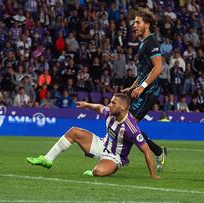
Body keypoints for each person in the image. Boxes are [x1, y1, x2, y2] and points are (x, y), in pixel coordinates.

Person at [27, 94, 160, 180]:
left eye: (113, 103)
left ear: (123, 106)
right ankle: (47, 159)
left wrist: (153, 175)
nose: (109, 105)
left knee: (98, 172)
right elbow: (100, 107)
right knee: (74, 131)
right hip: (102, 144)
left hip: (115, 156)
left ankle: (102, 167)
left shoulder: (131, 128)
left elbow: (146, 151)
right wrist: (87, 105)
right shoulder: (110, 112)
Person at [121, 8, 168, 171]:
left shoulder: (151, 42)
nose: (134, 25)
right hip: (142, 90)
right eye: (134, 22)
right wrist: (133, 86)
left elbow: (158, 68)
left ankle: (122, 158)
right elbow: (143, 72)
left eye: (138, 22)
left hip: (149, 92)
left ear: (147, 24)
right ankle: (158, 151)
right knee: (127, 124)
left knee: (128, 123)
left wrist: (141, 87)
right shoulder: (143, 42)